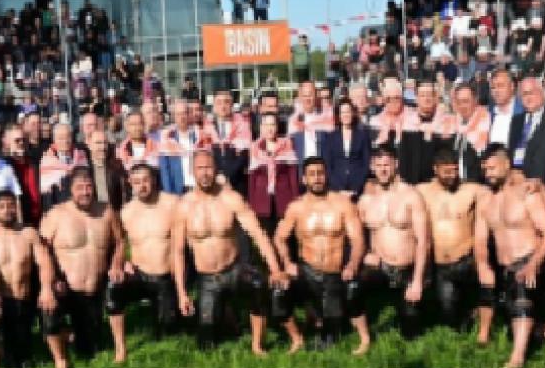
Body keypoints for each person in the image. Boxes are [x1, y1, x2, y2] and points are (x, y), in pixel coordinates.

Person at [173, 149, 290, 353]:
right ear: (192, 171)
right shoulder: (184, 206)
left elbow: (258, 234)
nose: (205, 173)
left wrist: (275, 268)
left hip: (234, 269)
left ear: (216, 169)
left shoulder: (231, 198)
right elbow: (178, 252)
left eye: (209, 167)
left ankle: (257, 345)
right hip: (208, 277)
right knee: (206, 343)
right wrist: (182, 293)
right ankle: (226, 316)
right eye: (200, 168)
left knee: (257, 284)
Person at [475, 144, 545, 368]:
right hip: (505, 267)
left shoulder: (526, 193)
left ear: (507, 164)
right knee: (518, 321)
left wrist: (533, 264)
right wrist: (482, 264)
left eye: (492, 168)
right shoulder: (485, 202)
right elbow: (480, 241)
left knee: (522, 298)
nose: (488, 173)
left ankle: (517, 358)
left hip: (531, 260)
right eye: (485, 169)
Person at [271, 157, 365, 353]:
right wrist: (287, 263)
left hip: (334, 273)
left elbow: (357, 239)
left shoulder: (343, 204)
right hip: (306, 271)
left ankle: (327, 320)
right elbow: (279, 237)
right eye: (312, 174)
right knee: (278, 292)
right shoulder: (296, 207)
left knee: (328, 338)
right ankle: (297, 338)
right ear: (304, 179)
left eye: (320, 173)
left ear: (326, 175)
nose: (317, 178)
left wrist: (352, 264)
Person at [38, 167, 125, 368]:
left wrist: (117, 264)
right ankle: (61, 360)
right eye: (80, 188)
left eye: (89, 187)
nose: (85, 192)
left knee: (89, 348)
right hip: (66, 289)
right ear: (70, 190)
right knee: (48, 310)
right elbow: (42, 251)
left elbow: (121, 241)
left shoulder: (107, 212)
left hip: (95, 289)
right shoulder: (56, 215)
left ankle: (117, 347)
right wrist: (51, 281)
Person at [353, 146, 429, 348]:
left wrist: (417, 281)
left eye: (386, 164)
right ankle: (364, 338)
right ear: (372, 167)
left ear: (396, 164)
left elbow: (424, 241)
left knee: (411, 332)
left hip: (406, 269)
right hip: (381, 267)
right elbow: (356, 236)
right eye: (378, 165)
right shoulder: (366, 200)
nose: (383, 170)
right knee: (352, 288)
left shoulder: (412, 196)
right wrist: (366, 254)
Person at [0, 189, 58, 368]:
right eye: (2, 207)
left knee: (24, 345)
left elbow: (45, 263)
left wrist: (46, 289)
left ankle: (53, 358)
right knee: (3, 344)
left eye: (11, 206)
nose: (7, 210)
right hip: (2, 300)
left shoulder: (29, 233)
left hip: (26, 297)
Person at [107, 163, 180, 359]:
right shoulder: (126, 212)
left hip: (166, 276)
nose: (142, 186)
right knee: (114, 288)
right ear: (130, 183)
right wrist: (120, 263)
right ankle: (120, 347)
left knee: (168, 329)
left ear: (154, 180)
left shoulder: (172, 204)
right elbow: (120, 243)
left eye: (146, 180)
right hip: (139, 274)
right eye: (137, 182)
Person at [417, 150, 491, 337]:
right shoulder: (422, 191)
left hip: (466, 259)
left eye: (455, 170)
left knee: (484, 288)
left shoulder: (471, 190)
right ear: (435, 169)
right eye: (447, 172)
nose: (452, 176)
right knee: (448, 310)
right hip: (440, 263)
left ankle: (481, 316)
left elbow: (499, 185)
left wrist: (529, 183)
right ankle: (463, 320)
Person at [507, 77, 545, 186]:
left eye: (531, 93)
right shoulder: (516, 121)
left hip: (543, 184)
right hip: (517, 183)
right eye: (524, 94)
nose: (528, 98)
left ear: (542, 93)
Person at [320, 100, 371, 196]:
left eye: (348, 111)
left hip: (358, 188)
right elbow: (327, 165)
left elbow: (366, 163)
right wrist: (337, 188)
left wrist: (357, 187)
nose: (346, 115)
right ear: (339, 116)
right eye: (343, 112)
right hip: (336, 188)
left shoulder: (363, 136)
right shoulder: (330, 138)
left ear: (353, 113)